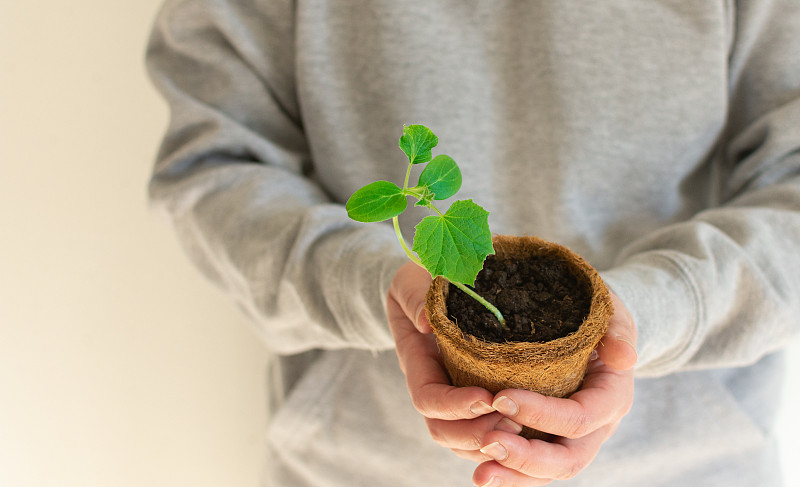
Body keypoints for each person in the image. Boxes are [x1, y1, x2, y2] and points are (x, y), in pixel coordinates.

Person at [145, 1, 800, 485]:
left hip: (697, 466)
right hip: (356, 466)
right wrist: (366, 280)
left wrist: (656, 312)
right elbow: (216, 165)